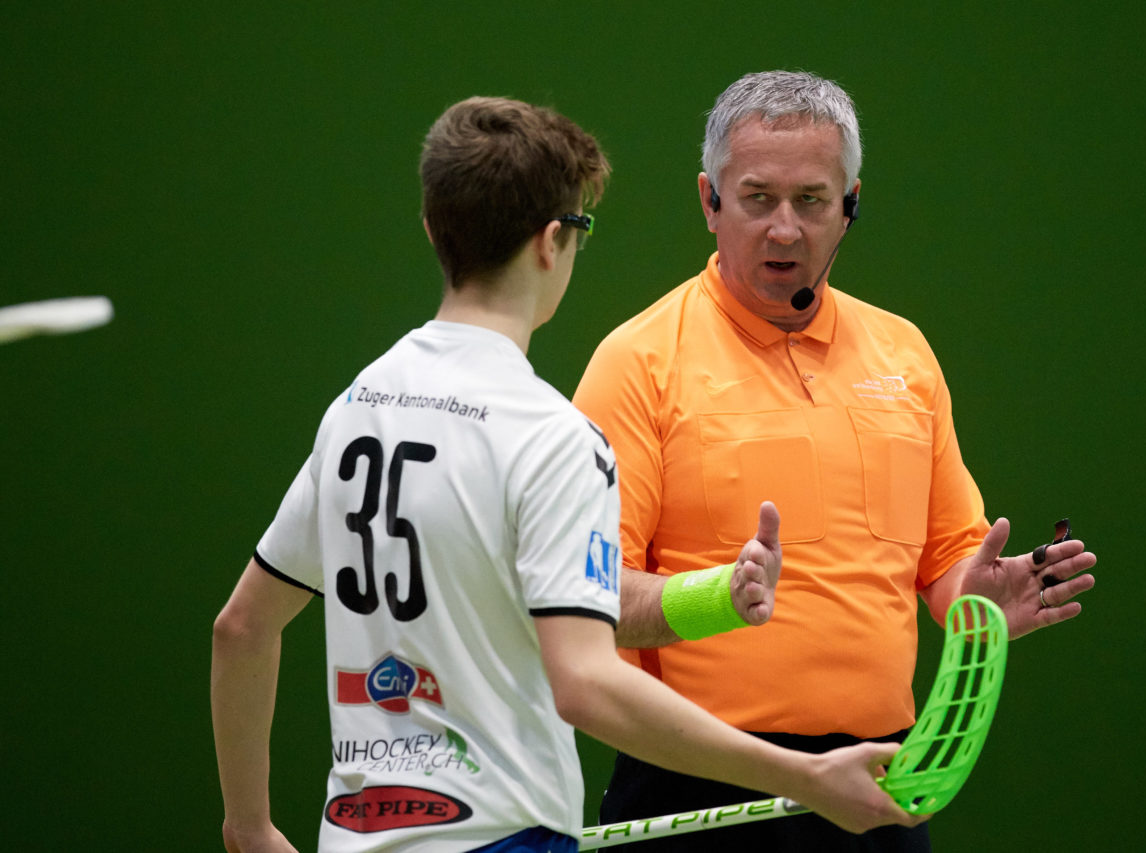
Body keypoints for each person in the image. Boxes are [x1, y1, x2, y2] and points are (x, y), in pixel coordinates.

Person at [211, 95, 923, 853]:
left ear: (432, 230)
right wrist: (801, 775)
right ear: (554, 241)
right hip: (499, 838)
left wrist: (248, 826)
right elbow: (586, 684)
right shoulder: (551, 437)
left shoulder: (357, 406)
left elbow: (242, 626)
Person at [572, 70, 1098, 851]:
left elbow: (947, 560)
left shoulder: (906, 354)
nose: (784, 228)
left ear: (851, 206)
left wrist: (977, 596)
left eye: (811, 201)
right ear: (709, 202)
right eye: (757, 199)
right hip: (701, 790)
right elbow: (585, 593)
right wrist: (713, 595)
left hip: (879, 787)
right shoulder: (637, 361)